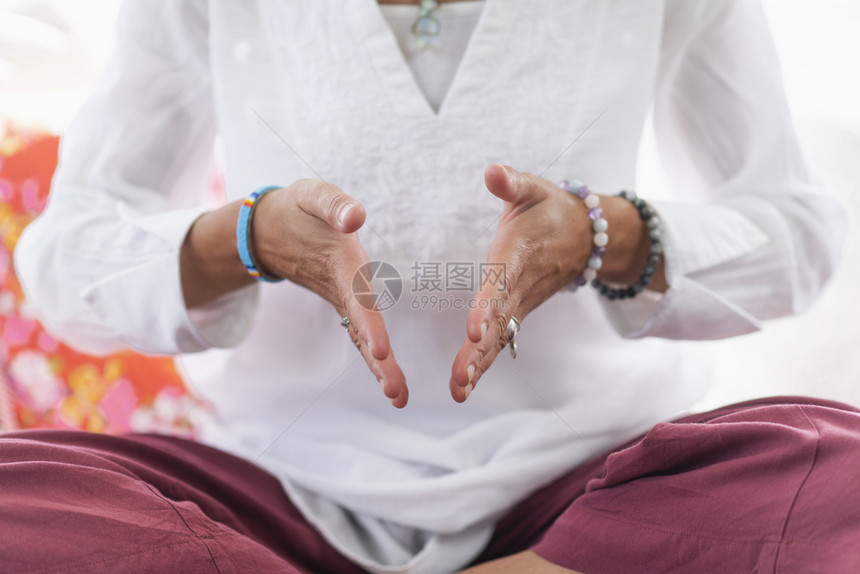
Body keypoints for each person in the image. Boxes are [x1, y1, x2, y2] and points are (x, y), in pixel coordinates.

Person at [4, 0, 857, 572]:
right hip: (274, 497)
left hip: (593, 488)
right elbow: (68, 256)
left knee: (840, 469)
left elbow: (799, 236)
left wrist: (604, 236)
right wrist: (250, 238)